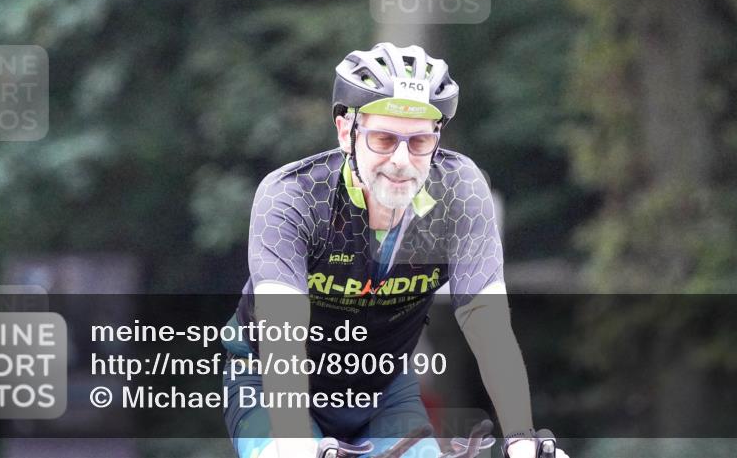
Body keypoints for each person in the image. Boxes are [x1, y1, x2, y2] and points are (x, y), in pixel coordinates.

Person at [222, 43, 569, 458]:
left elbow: (488, 325)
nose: (402, 161)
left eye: (420, 141)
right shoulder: (294, 197)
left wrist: (521, 438)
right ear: (345, 131)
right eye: (384, 139)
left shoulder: (459, 193)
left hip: (383, 386)